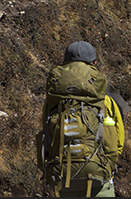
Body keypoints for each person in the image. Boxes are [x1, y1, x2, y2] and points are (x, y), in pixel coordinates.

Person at [40, 41, 125, 197]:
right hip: (98, 179)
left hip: (62, 179)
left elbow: (45, 137)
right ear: (94, 64)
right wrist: (107, 167)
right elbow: (117, 141)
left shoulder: (53, 102)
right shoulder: (104, 99)